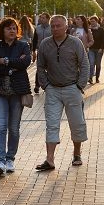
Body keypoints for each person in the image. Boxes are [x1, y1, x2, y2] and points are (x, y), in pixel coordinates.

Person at [36, 14, 90, 172]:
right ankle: (50, 159)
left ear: (66, 27)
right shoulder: (45, 44)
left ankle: (77, 153)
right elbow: (40, 66)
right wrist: (45, 85)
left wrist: (80, 85)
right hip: (53, 90)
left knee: (77, 123)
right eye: (52, 26)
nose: (54, 28)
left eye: (58, 26)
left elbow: (84, 64)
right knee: (51, 124)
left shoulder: (75, 43)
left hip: (72, 89)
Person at [0, 17, 32, 176]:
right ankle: (0, 160)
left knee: (14, 128)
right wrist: (13, 66)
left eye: (14, 28)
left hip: (17, 92)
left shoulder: (23, 45)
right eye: (8, 28)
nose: (12, 31)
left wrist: (4, 61)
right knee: (1, 126)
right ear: (2, 31)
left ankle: (10, 158)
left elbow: (26, 62)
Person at [33, 13, 50, 94]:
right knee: (39, 68)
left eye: (43, 18)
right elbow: (35, 40)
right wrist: (33, 51)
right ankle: (37, 85)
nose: (41, 19)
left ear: (47, 19)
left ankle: (49, 84)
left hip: (50, 51)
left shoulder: (52, 28)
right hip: (40, 50)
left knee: (50, 68)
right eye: (41, 18)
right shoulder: (38, 28)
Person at [88, 16, 104, 84]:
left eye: (93, 21)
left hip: (99, 49)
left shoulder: (101, 29)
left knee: (98, 64)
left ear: (97, 21)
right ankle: (90, 78)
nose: (92, 23)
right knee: (91, 64)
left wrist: (101, 48)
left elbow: (103, 40)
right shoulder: (89, 30)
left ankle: (97, 78)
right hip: (91, 49)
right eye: (91, 21)